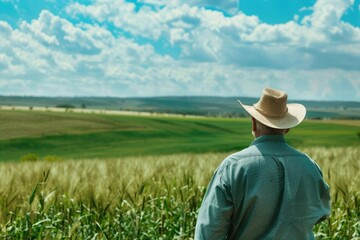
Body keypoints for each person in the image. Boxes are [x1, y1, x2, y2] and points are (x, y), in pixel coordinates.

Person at [194, 88, 330, 240]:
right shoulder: (310, 166)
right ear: (288, 128)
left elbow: (209, 232)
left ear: (253, 123)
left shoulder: (233, 167)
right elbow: (321, 213)